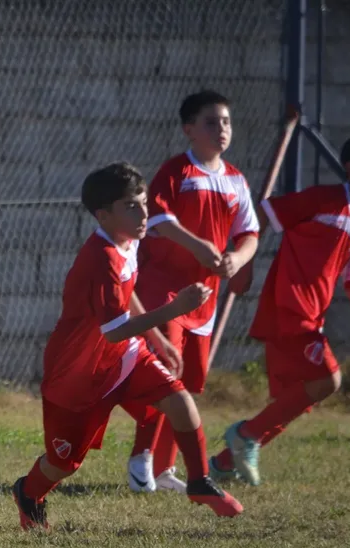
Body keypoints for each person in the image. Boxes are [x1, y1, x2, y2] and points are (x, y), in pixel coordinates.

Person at [12, 162, 242, 531]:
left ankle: (199, 481)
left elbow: (126, 292)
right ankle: (28, 492)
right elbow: (114, 331)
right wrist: (174, 310)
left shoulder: (129, 239)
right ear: (103, 216)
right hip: (79, 373)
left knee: (180, 401)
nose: (144, 213)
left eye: (144, 203)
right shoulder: (100, 258)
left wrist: (158, 339)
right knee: (63, 463)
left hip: (126, 356)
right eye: (131, 207)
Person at [125, 90, 259, 494]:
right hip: (165, 290)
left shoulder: (235, 179)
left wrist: (238, 259)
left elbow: (249, 233)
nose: (222, 129)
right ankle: (141, 459)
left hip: (204, 297)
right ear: (189, 130)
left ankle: (164, 469)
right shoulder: (177, 171)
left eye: (226, 122)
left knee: (186, 383)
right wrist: (198, 245)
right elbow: (158, 219)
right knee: (165, 374)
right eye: (211, 122)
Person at [208, 133, 350, 486]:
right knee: (328, 380)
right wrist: (244, 264)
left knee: (295, 398)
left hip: (311, 315)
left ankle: (223, 464)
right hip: (289, 306)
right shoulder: (322, 199)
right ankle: (245, 434)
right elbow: (263, 214)